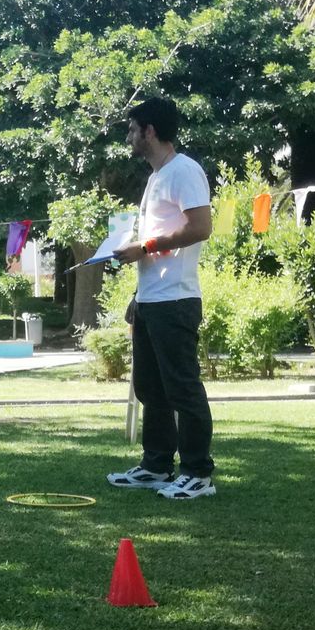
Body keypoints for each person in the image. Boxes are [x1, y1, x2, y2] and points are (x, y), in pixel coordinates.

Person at [107, 96, 216, 499]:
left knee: (182, 389)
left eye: (133, 129)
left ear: (149, 130)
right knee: (149, 389)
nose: (129, 136)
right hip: (153, 300)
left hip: (177, 300)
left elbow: (201, 227)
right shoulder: (156, 177)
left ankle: (198, 473)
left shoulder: (184, 171)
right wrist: (139, 295)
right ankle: (156, 465)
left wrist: (145, 246)